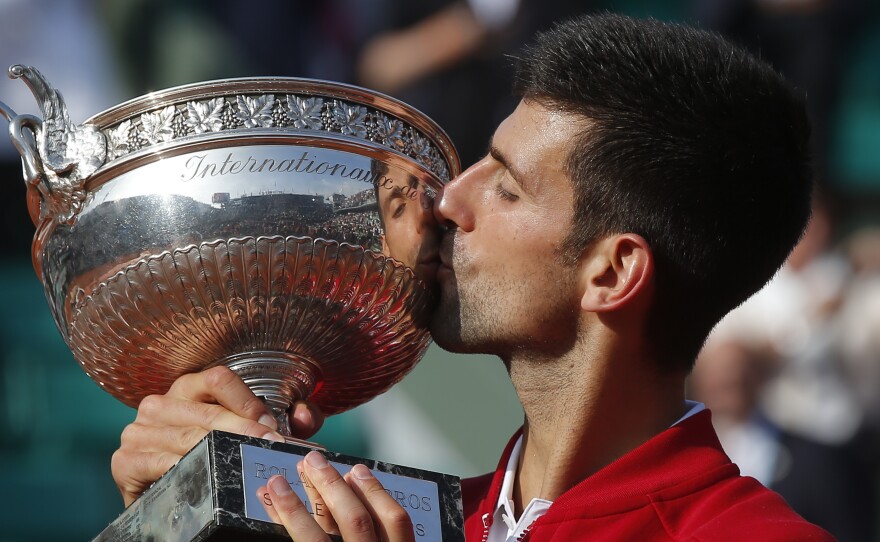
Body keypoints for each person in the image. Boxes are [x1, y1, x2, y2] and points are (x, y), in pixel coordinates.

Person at [110, 13, 834, 541]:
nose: (448, 199)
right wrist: (170, 512)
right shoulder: (401, 522)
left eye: (507, 187)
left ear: (612, 273)